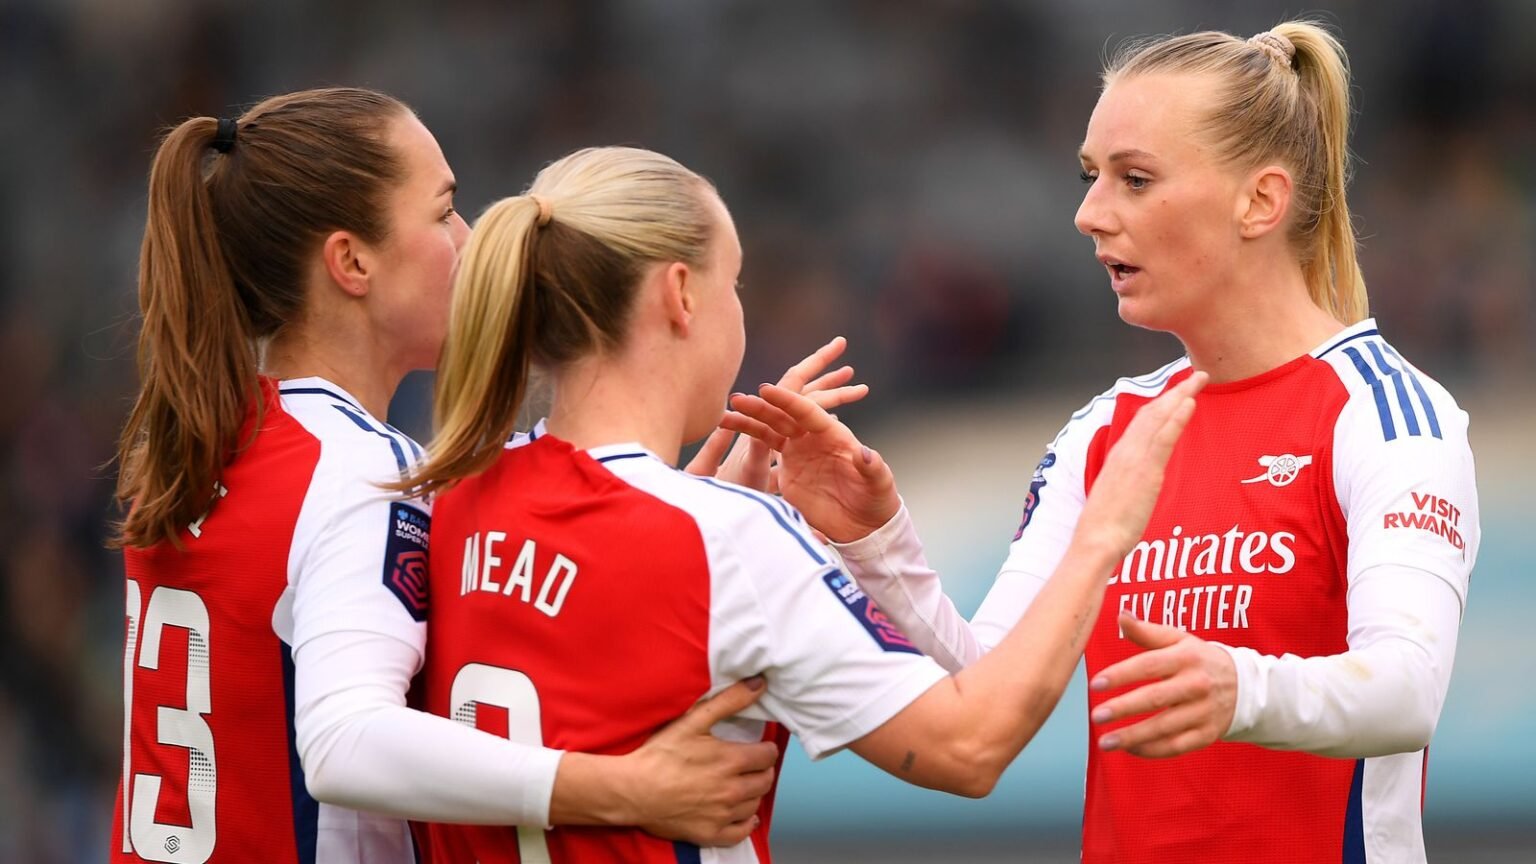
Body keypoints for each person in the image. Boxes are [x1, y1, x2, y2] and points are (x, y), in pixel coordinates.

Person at [731, 20, 1480, 864]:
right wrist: (873, 541)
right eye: (1092, 177)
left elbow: (1409, 688)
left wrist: (1241, 688)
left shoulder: (1386, 415)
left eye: (1136, 180)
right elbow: (983, 680)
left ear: (1260, 202)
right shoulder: (1106, 429)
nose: (1090, 215)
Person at [396, 144, 1205, 863]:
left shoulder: (449, 498)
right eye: (734, 282)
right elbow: (969, 748)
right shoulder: (727, 538)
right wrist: (1102, 532)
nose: (739, 308)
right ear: (680, 295)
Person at [108, 87, 845, 864]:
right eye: (444, 212)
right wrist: (625, 786)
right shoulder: (365, 474)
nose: (469, 238)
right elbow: (345, 738)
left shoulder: (197, 443)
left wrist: (664, 520)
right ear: (351, 262)